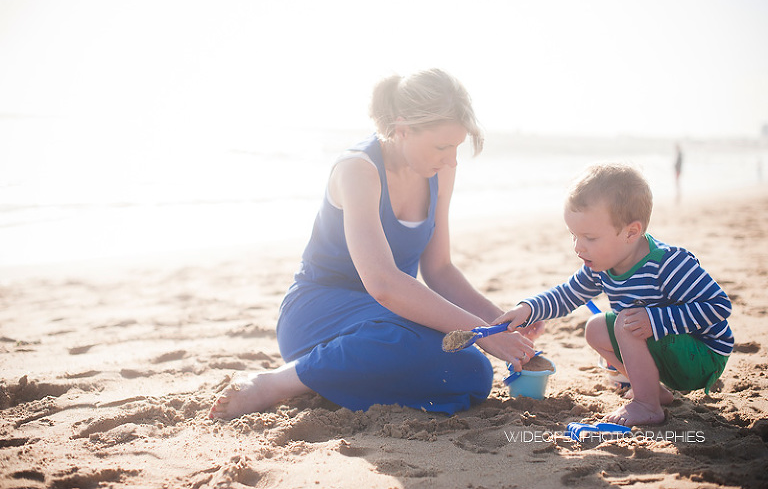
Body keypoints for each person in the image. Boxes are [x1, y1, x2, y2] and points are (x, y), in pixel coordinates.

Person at [209, 69, 541, 420]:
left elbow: (439, 270)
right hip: (319, 313)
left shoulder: (439, 170)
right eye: (443, 147)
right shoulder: (358, 170)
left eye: (456, 147)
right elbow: (383, 284)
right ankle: (274, 383)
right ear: (402, 129)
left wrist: (499, 325)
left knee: (472, 371)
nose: (452, 159)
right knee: (444, 350)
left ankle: (336, 377)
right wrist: (482, 334)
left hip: (392, 320)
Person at [494, 163, 733, 426]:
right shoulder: (601, 267)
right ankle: (652, 391)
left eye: (589, 238)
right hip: (667, 352)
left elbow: (719, 306)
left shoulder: (668, 264)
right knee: (595, 328)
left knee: (626, 322)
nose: (578, 247)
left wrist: (655, 320)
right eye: (573, 235)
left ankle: (647, 405)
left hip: (702, 355)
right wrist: (528, 309)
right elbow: (567, 295)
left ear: (631, 232)